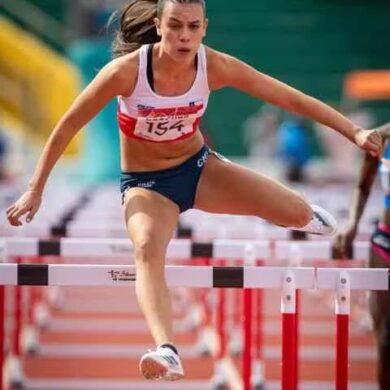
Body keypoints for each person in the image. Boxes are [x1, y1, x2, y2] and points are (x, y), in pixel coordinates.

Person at [6, 0, 385, 382]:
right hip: (147, 184)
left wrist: (353, 132)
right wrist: (35, 189)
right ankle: (166, 350)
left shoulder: (214, 66)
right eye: (174, 26)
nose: (183, 36)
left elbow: (288, 97)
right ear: (158, 25)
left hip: (201, 170)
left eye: (192, 27)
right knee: (147, 247)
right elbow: (68, 124)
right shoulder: (125, 73)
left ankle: (302, 212)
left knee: (301, 215)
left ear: (204, 27)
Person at [333, 123, 390, 390]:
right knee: (387, 340)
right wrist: (352, 225)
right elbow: (362, 187)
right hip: (385, 242)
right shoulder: (382, 137)